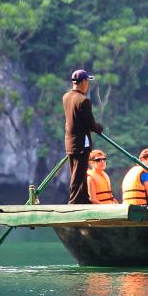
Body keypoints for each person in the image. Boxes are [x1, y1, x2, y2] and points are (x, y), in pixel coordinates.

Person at [63, 69, 103, 204]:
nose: (88, 85)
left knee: (76, 171)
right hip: (81, 143)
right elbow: (90, 124)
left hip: (69, 141)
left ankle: (83, 199)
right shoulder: (84, 100)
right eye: (87, 82)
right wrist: (99, 128)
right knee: (79, 174)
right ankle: (74, 201)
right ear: (84, 82)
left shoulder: (66, 97)